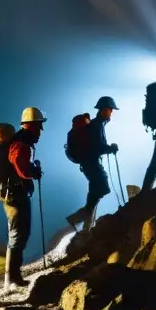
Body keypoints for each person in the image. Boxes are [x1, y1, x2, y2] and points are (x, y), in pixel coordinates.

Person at [1, 106, 46, 289]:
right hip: (15, 195)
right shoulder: (21, 144)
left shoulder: (21, 142)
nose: (40, 130)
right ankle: (12, 278)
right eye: (38, 126)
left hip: (15, 193)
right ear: (29, 125)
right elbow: (22, 170)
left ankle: (13, 277)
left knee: (18, 234)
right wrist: (34, 171)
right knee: (18, 234)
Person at [66, 96, 118, 232]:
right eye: (110, 109)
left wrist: (108, 147)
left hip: (88, 163)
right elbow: (98, 146)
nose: (111, 112)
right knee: (103, 188)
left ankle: (86, 227)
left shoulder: (97, 124)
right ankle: (77, 218)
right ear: (104, 110)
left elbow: (96, 145)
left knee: (95, 191)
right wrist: (110, 148)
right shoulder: (96, 124)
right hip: (91, 163)